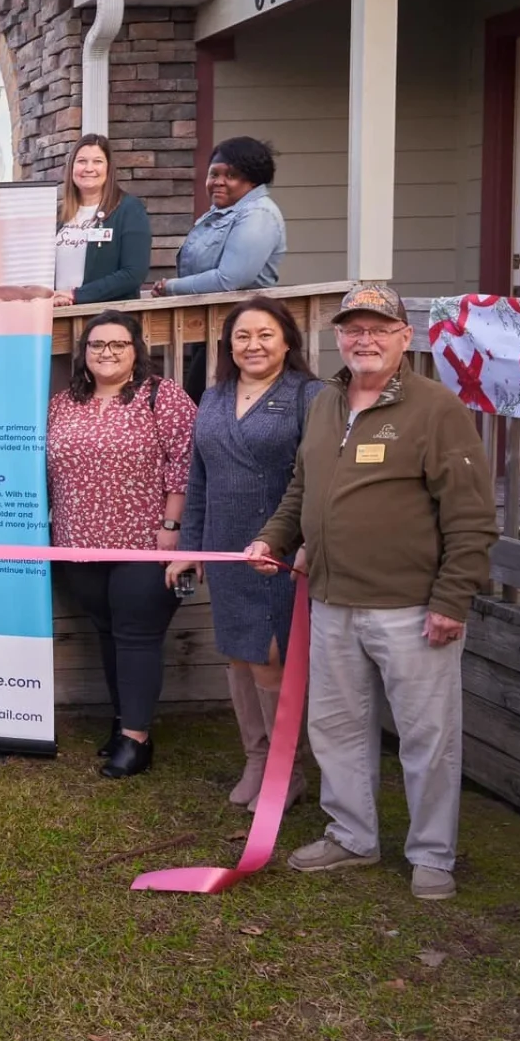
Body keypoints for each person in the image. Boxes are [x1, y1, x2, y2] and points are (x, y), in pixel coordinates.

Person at [246, 283, 496, 901]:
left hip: (412, 608)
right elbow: (302, 488)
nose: (366, 340)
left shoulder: (436, 409)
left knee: (427, 737)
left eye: (380, 329)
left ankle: (432, 854)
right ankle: (352, 836)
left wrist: (451, 600)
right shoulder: (324, 404)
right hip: (331, 601)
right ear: (338, 337)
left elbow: (470, 517)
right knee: (336, 727)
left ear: (405, 338)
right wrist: (273, 538)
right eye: (354, 329)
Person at [165, 298, 319, 811]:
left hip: (278, 552)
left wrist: (304, 542)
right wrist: (190, 549)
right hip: (226, 550)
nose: (254, 345)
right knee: (238, 653)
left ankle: (287, 769)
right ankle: (257, 758)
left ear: (288, 341)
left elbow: (318, 478)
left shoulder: (309, 396)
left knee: (271, 655)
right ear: (228, 345)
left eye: (265, 334)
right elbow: (199, 479)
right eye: (242, 336)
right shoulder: (213, 397)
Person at [47, 310, 196, 779]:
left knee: (136, 634)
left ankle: (136, 739)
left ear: (136, 351)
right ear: (84, 353)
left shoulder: (161, 396)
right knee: (108, 631)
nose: (106, 352)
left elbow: (186, 462)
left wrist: (173, 525)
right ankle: (122, 721)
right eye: (97, 344)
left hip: (144, 541)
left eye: (118, 344)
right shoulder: (63, 403)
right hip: (78, 543)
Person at [155, 136, 286, 299]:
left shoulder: (259, 214)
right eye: (213, 174)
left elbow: (228, 279)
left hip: (243, 312)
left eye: (231, 175)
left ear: (254, 179)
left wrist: (170, 287)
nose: (218, 182)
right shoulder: (221, 213)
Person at [50, 134, 152, 306]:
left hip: (107, 317)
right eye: (82, 161)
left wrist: (77, 295)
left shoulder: (129, 209)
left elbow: (133, 273)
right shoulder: (59, 215)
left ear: (108, 168)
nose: (89, 168)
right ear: (71, 167)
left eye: (97, 161)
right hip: (60, 315)